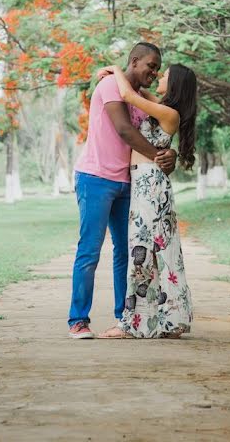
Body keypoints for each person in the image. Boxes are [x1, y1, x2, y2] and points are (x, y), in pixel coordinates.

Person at [67, 42, 177, 339]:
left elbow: (162, 123)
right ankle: (78, 320)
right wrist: (158, 155)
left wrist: (171, 154)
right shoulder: (108, 86)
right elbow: (125, 130)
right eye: (150, 66)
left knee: (125, 254)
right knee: (89, 250)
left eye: (157, 69)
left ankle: (124, 318)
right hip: (96, 178)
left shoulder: (139, 96)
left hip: (127, 183)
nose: (153, 72)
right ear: (134, 60)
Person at [96, 62, 198, 339]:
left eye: (164, 75)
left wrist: (115, 70)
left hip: (150, 185)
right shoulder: (163, 107)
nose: (158, 77)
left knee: (144, 252)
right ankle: (160, 320)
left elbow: (129, 97)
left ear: (174, 83)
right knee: (149, 252)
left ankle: (133, 323)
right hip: (144, 183)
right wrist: (122, 77)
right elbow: (137, 93)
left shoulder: (169, 113)